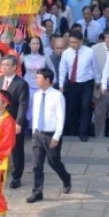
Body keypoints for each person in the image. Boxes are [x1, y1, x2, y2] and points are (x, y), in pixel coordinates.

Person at [27, 68, 72, 203]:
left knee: (54, 162)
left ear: (47, 80)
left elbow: (61, 117)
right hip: (38, 134)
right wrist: (34, 130)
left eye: (39, 79)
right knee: (36, 164)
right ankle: (37, 192)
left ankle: (66, 178)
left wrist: (56, 136)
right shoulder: (36, 95)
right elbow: (35, 113)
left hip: (51, 134)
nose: (37, 81)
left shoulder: (57, 96)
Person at [0, 55, 29, 189]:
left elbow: (23, 104)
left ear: (15, 67)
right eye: (2, 65)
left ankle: (17, 177)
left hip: (13, 120)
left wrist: (19, 123)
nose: (4, 68)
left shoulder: (21, 83)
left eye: (7, 65)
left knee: (16, 150)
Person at [58, 31, 99, 139]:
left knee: (85, 107)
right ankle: (73, 131)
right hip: (72, 84)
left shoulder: (89, 52)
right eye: (70, 42)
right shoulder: (66, 53)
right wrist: (61, 85)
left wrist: (98, 81)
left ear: (81, 41)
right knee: (71, 108)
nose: (72, 44)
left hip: (86, 83)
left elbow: (95, 67)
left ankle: (83, 133)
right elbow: (63, 70)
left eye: (75, 42)